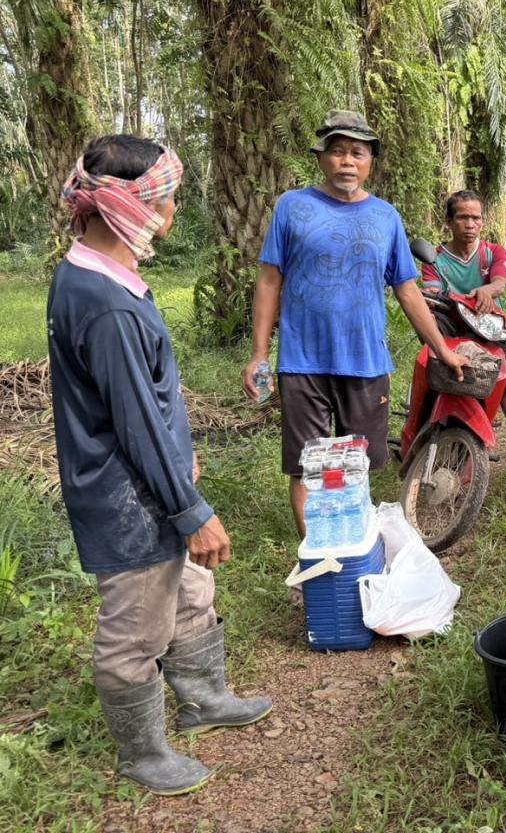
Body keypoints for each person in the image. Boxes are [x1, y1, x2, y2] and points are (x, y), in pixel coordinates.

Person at [47, 135, 271, 795]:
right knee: (136, 626)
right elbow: (135, 420)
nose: (171, 214)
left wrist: (180, 459)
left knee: (191, 593)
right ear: (128, 208)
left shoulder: (94, 272)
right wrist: (192, 510)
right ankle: (141, 754)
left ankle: (205, 698)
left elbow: (140, 401)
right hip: (128, 497)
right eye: (167, 201)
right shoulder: (108, 304)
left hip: (151, 481)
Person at [242, 111, 465, 535]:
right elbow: (270, 281)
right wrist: (258, 354)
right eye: (338, 151)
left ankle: (352, 549)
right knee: (310, 466)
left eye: (357, 153)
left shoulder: (386, 218)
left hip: (365, 364)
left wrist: (442, 348)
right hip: (302, 362)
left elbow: (407, 290)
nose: (347, 161)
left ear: (370, 163)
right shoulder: (293, 208)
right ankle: (319, 561)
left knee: (357, 465)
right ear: (322, 158)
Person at [420, 190, 506, 489]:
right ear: (450, 221)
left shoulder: (493, 252)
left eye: (475, 218)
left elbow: (499, 283)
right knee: (436, 387)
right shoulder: (436, 259)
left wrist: (486, 291)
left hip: (492, 331)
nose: (470, 224)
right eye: (463, 217)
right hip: (451, 333)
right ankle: (421, 445)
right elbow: (429, 293)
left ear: (483, 222)